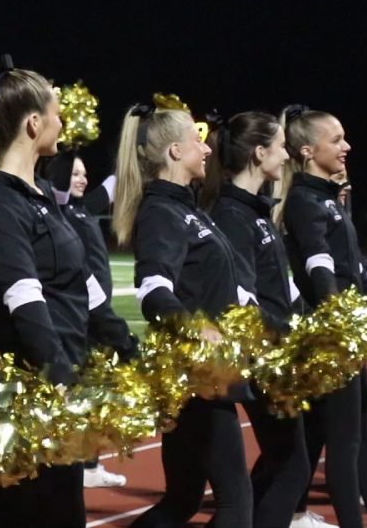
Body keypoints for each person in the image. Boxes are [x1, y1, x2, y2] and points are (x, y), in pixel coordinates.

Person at [0, 61, 128, 527]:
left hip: (54, 384)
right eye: (58, 115)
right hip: (26, 393)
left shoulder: (41, 195)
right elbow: (24, 301)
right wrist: (62, 378)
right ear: (34, 123)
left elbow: (79, 283)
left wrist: (126, 345)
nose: (62, 125)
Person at [112, 102, 253, 528]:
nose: (207, 149)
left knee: (181, 501)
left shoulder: (186, 208)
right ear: (175, 151)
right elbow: (154, 291)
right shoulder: (162, 211)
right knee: (235, 507)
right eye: (197, 140)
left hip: (205, 371)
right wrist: (198, 330)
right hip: (197, 375)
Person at [276, 105, 367, 528]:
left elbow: (355, 266)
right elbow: (319, 263)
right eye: (337, 139)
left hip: (344, 330)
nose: (347, 146)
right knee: (346, 437)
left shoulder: (327, 199)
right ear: (308, 150)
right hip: (330, 334)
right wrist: (336, 314)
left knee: (351, 427)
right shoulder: (303, 199)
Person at [200, 111, 311, 528]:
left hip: (276, 352)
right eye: (280, 146)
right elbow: (243, 297)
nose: (285, 155)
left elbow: (276, 286)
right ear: (259, 153)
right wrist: (284, 338)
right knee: (291, 465)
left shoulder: (254, 209)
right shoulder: (232, 214)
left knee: (283, 462)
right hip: (261, 356)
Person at [45, 149, 137, 490]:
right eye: (74, 174)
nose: (82, 179)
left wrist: (133, 143)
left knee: (94, 394)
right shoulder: (61, 214)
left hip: (97, 317)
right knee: (80, 394)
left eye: (85, 173)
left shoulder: (82, 211)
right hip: (81, 319)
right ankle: (78, 464)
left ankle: (90, 463)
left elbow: (116, 183)